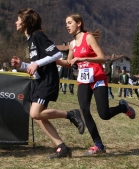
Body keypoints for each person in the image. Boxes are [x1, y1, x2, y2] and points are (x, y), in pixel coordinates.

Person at [57, 13, 136, 155]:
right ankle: (98, 144)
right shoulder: (72, 44)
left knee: (104, 114)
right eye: (66, 23)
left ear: (79, 23)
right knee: (85, 111)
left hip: (98, 77)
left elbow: (102, 58)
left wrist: (83, 58)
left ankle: (123, 107)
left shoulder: (88, 38)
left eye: (69, 23)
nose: (67, 25)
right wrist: (54, 60)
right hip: (83, 80)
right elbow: (68, 64)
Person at [11, 8, 85, 159]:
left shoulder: (38, 36)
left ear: (25, 22)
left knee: (35, 113)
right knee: (38, 118)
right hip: (39, 81)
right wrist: (22, 65)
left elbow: (56, 54)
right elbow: (36, 65)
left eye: (18, 19)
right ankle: (62, 147)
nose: (16, 22)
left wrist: (36, 64)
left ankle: (71, 114)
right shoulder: (30, 39)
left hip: (47, 80)